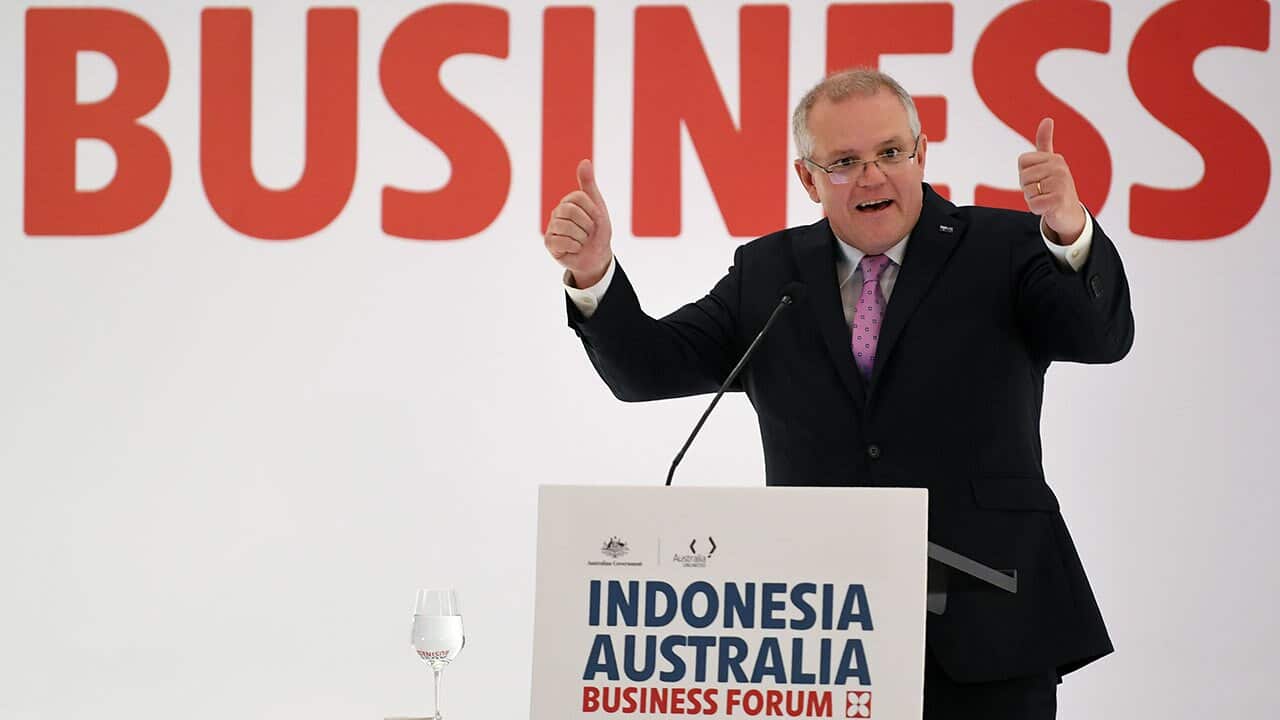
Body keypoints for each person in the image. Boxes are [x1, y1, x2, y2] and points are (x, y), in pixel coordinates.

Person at [543, 68, 1134, 719]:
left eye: (889, 153)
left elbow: (1101, 336)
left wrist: (1071, 230)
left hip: (991, 616)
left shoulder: (1005, 247)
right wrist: (593, 271)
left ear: (920, 154)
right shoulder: (768, 273)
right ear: (808, 178)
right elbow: (646, 370)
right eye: (845, 162)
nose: (874, 176)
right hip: (820, 638)